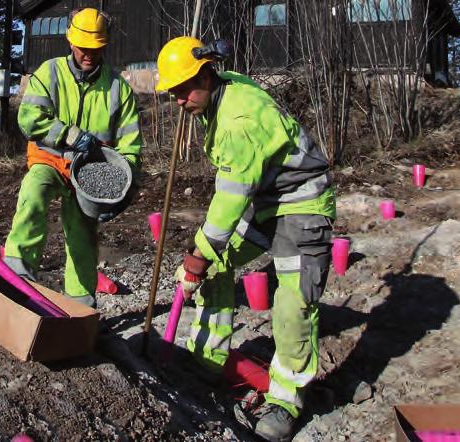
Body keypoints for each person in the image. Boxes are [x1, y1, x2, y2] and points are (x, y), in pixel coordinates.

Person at [156, 36, 336, 442]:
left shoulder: (239, 119)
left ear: (206, 73)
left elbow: (230, 197)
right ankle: (210, 356)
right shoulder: (219, 93)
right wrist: (205, 256)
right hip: (264, 200)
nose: (180, 100)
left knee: (292, 303)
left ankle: (287, 401)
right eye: (174, 93)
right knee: (216, 263)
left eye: (184, 89)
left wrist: (198, 255)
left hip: (300, 203)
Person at [4, 8, 142, 308]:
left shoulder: (118, 89)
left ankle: (79, 304)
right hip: (49, 159)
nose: (89, 55)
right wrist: (68, 135)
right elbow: (29, 119)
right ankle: (16, 272)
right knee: (33, 193)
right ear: (71, 42)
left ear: (104, 46)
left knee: (83, 235)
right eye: (83, 48)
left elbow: (131, 150)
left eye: (96, 49)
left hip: (90, 175)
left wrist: (121, 195)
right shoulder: (49, 73)